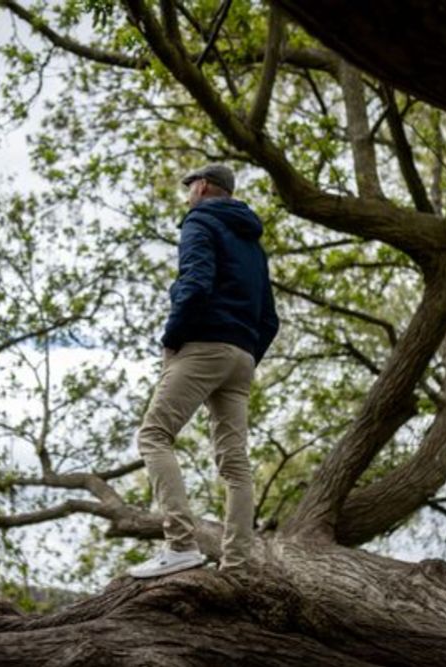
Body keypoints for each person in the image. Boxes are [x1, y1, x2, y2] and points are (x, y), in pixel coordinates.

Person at [127, 164, 279, 578]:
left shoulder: (200, 222)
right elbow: (270, 319)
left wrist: (172, 339)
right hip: (242, 357)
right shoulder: (253, 244)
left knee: (154, 436)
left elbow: (195, 284)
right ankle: (238, 565)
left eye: (190, 184)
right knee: (236, 465)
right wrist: (243, 354)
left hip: (203, 345)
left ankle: (180, 545)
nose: (187, 192)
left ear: (205, 186)